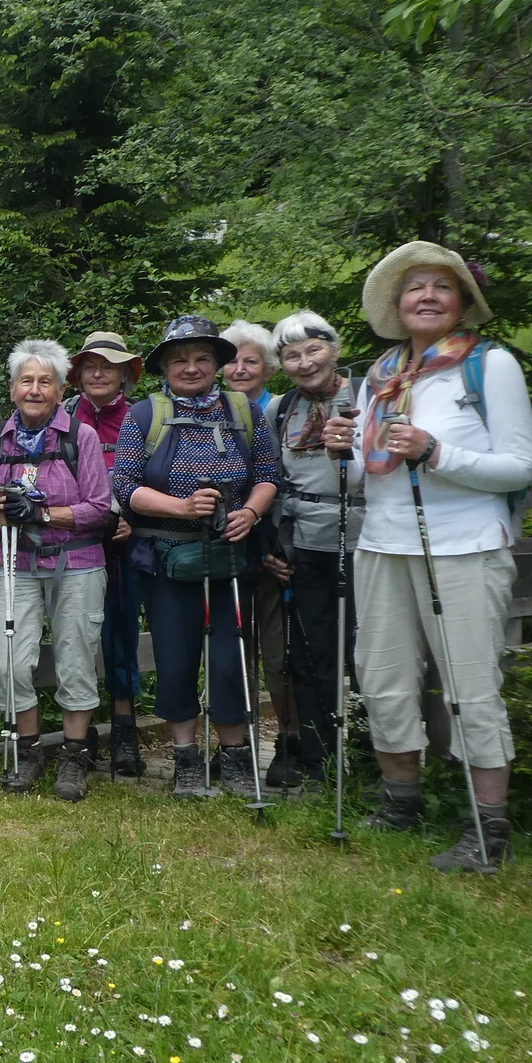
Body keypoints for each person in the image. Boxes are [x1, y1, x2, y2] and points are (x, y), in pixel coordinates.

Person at [323, 242, 532, 872]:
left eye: (442, 287)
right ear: (398, 303)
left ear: (464, 303)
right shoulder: (381, 376)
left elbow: (517, 467)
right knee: (383, 677)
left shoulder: (489, 367)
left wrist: (436, 450)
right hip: (384, 542)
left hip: (465, 545)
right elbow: (369, 474)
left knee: (470, 684)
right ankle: (401, 802)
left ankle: (488, 829)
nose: (427, 296)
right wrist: (344, 450)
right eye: (415, 287)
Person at [111, 315, 278, 800]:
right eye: (180, 358)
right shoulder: (145, 415)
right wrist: (181, 507)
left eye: (202, 357)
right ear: (164, 364)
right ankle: (186, 757)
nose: (191, 367)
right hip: (165, 556)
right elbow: (125, 487)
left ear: (216, 364)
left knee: (229, 659)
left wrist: (249, 512)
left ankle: (235, 757)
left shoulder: (243, 410)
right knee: (175, 657)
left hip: (230, 556)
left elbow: (268, 474)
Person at [0, 339, 113, 800]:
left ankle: (75, 754)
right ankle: (30, 749)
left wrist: (41, 513)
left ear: (61, 391)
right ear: (13, 388)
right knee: (9, 660)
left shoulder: (80, 437)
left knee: (75, 656)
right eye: (27, 381)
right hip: (14, 562)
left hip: (76, 562)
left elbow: (100, 508)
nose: (35, 389)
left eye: (46, 382)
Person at [263, 310, 365, 787]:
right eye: (292, 355)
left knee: (365, 653)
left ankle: (367, 754)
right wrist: (273, 544)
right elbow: (270, 479)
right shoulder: (280, 410)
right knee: (307, 651)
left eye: (313, 350)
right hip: (302, 540)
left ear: (334, 349)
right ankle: (318, 756)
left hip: (364, 539)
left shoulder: (367, 396)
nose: (305, 363)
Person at [65, 332, 144, 780]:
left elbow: (154, 476)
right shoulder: (64, 418)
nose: (98, 373)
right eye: (90, 366)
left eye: (109, 367)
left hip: (125, 545)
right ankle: (83, 732)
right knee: (74, 636)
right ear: (77, 375)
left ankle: (125, 728)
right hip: (75, 543)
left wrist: (133, 517)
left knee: (120, 631)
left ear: (124, 375)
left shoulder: (137, 419)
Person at [221, 318, 285, 769]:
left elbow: (281, 480)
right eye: (234, 361)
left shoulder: (279, 410)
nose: (241, 369)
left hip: (274, 545)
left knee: (280, 654)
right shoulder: (214, 409)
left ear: (268, 368)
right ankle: (236, 747)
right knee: (231, 650)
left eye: (252, 361)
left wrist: (278, 545)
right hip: (227, 545)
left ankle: (292, 740)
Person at [220, 321, 278, 418]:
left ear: (269, 370)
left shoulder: (282, 409)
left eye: (250, 362)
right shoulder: (213, 411)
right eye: (232, 362)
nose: (239, 370)